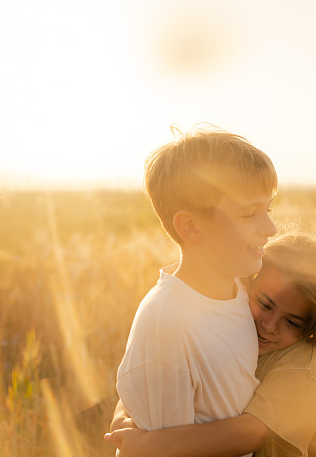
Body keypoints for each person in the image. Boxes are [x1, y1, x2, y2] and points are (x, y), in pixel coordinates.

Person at [106, 233, 316, 457]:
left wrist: (152, 446)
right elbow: (150, 371)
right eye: (265, 305)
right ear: (250, 282)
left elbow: (248, 434)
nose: (269, 325)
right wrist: (121, 419)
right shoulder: (231, 315)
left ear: (313, 327)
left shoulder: (300, 369)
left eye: (292, 322)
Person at [113, 125, 278, 448]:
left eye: (268, 209)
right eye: (249, 214)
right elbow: (166, 449)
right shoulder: (167, 322)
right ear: (190, 226)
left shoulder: (245, 289)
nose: (270, 228)